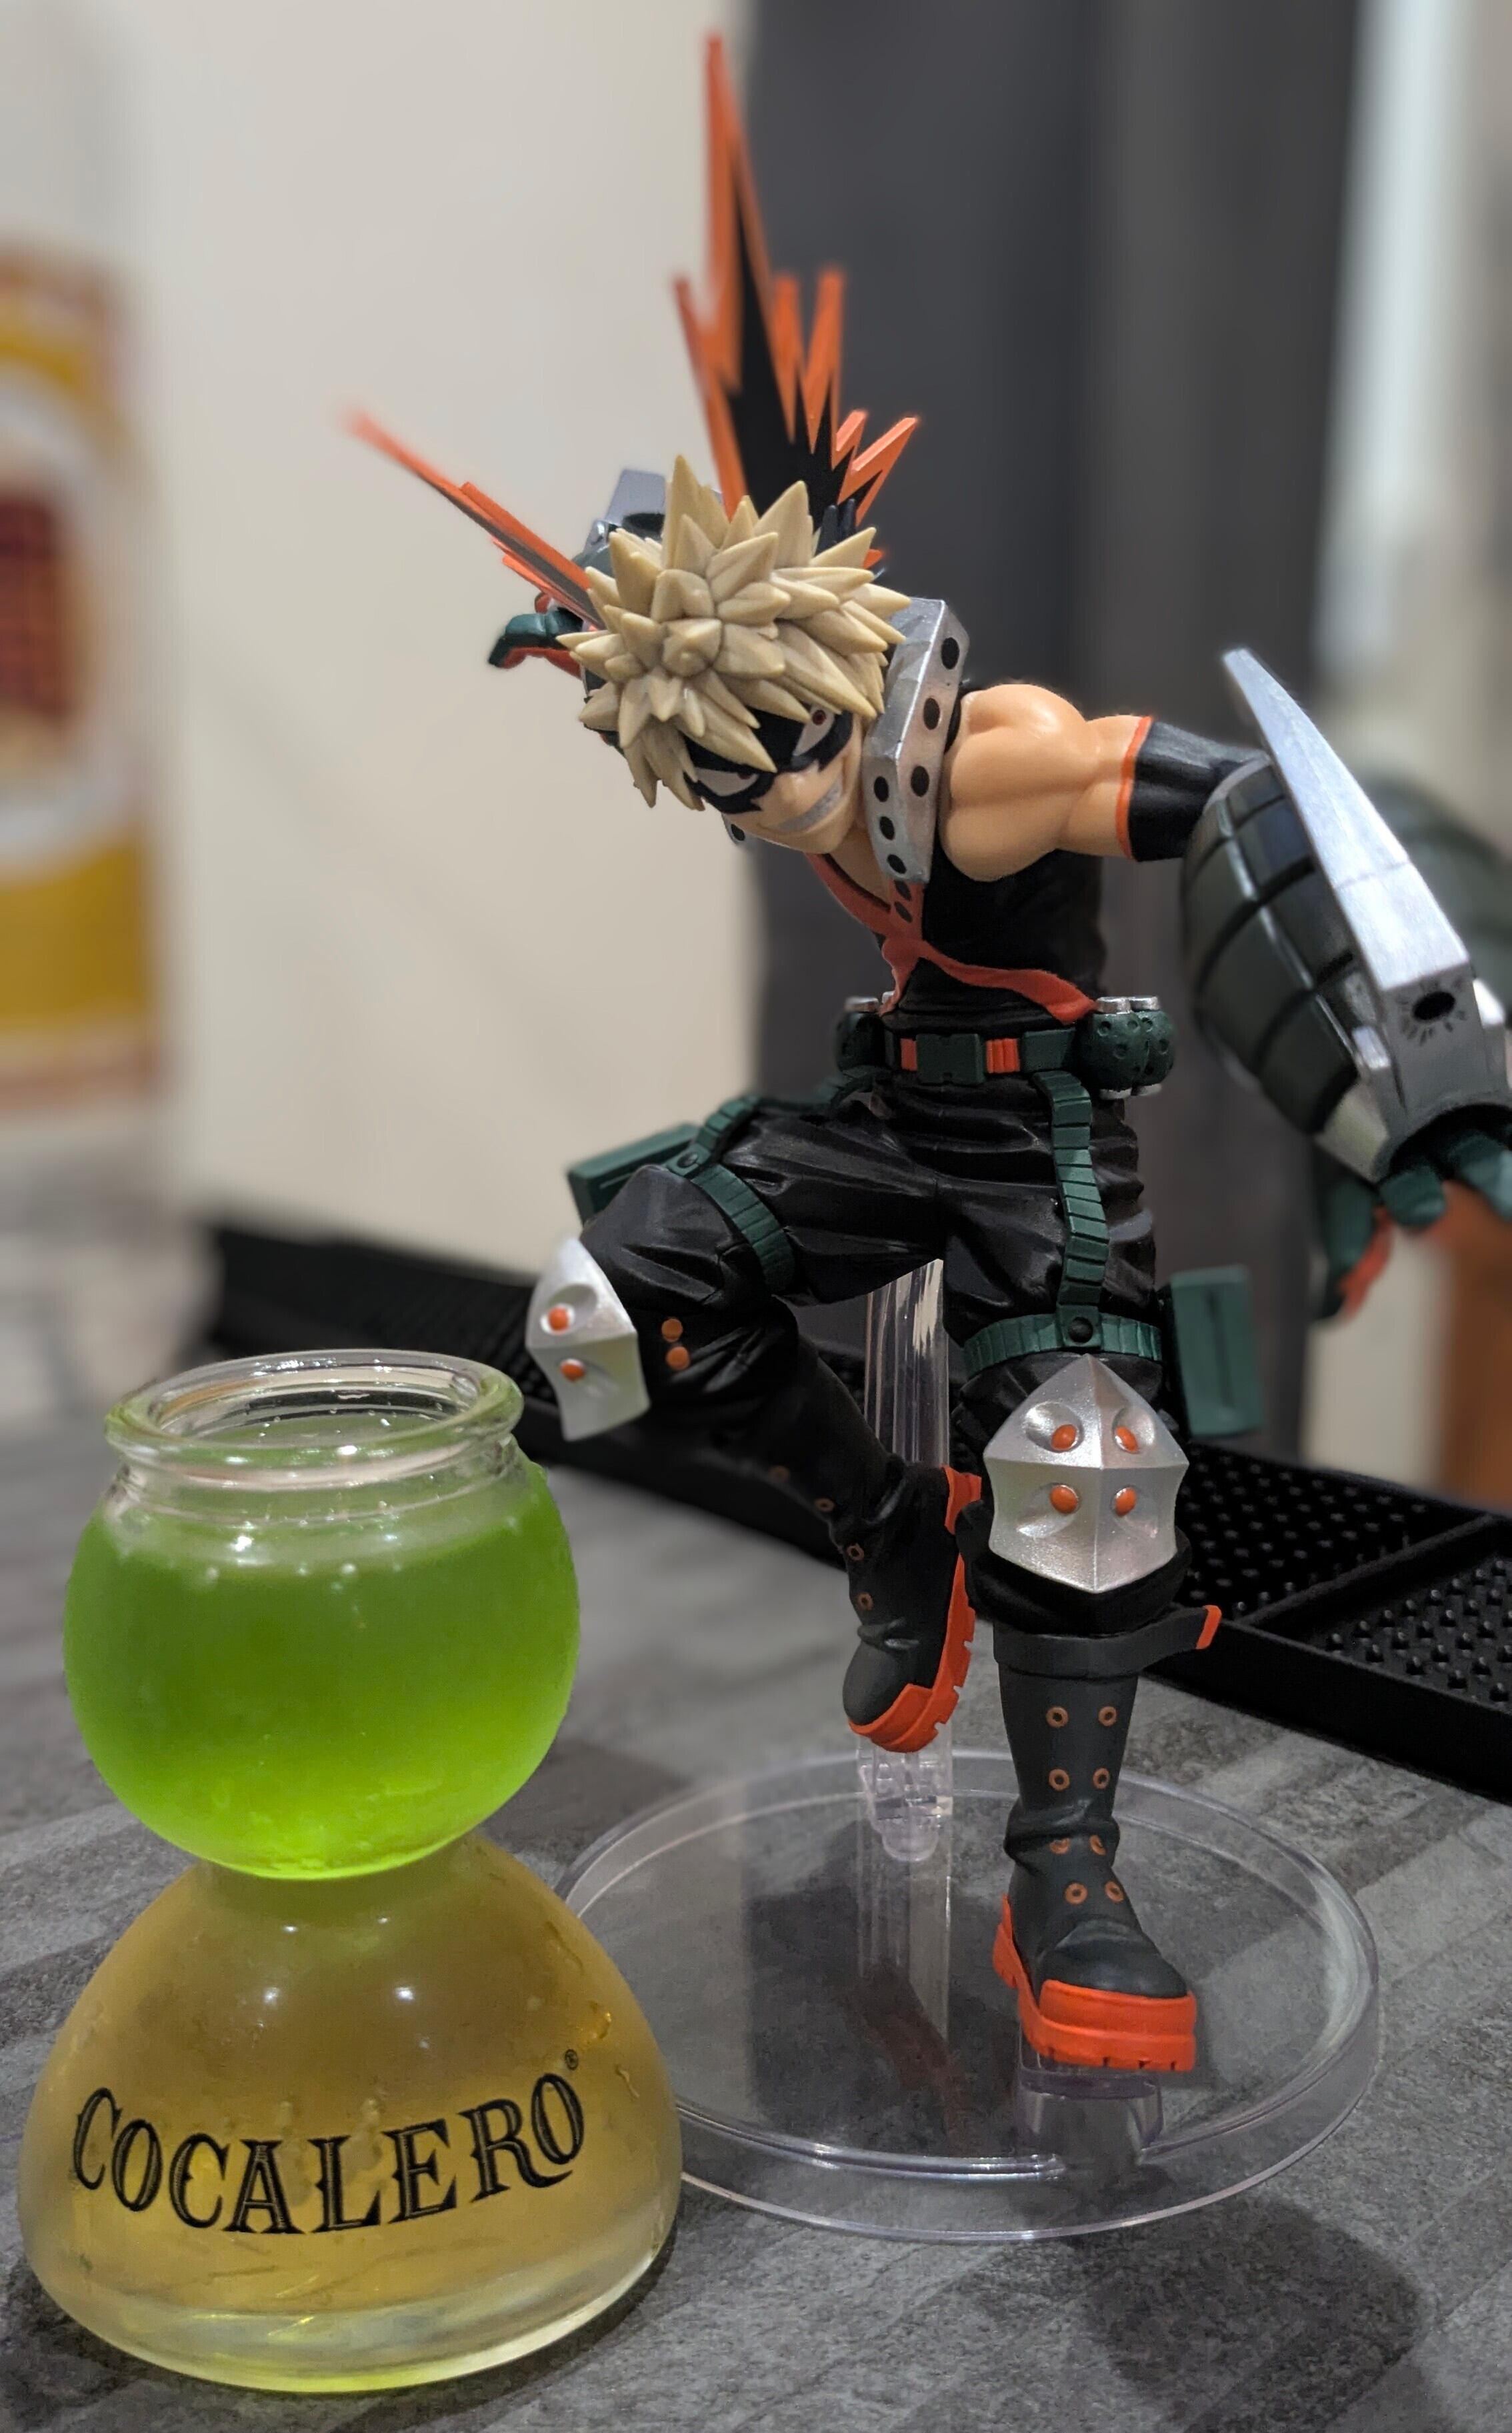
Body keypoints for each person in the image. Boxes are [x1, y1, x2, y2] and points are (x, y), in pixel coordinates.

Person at [358, 39, 1512, 2075]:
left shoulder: (992, 761)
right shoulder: (754, 738)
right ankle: (887, 1521)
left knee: (1081, 1474)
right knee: (599, 1309)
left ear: (833, 663)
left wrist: (1386, 1041)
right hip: (888, 1107)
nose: (778, 807)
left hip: (1040, 1150)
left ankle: (1066, 1865)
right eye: (728, 783)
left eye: (782, 759)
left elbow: (1251, 804)